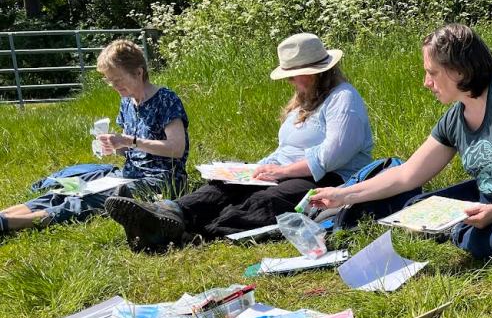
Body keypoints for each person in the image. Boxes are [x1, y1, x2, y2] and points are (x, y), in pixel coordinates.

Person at [105, 32, 410, 250]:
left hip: (328, 178)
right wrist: (256, 168)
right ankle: (169, 212)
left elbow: (332, 155)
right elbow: (285, 150)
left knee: (267, 201)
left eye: (295, 75)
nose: (291, 82)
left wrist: (281, 173)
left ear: (318, 73)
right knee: (222, 187)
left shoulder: (343, 98)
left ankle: (192, 233)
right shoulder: (302, 101)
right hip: (285, 169)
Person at [307, 23, 492, 262]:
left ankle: (454, 232)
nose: (426, 83)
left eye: (432, 73)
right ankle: (458, 231)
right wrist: (341, 195)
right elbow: (407, 174)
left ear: (458, 71)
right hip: (488, 202)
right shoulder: (456, 117)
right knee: (416, 207)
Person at [0, 39, 188, 236]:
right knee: (70, 191)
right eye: (109, 80)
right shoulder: (127, 101)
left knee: (87, 199)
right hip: (130, 173)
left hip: (161, 179)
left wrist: (129, 141)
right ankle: (4, 215)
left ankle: (9, 223)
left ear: (139, 72)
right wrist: (114, 146)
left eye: (117, 80)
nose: (113, 86)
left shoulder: (166, 99)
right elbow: (130, 150)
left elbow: (176, 148)